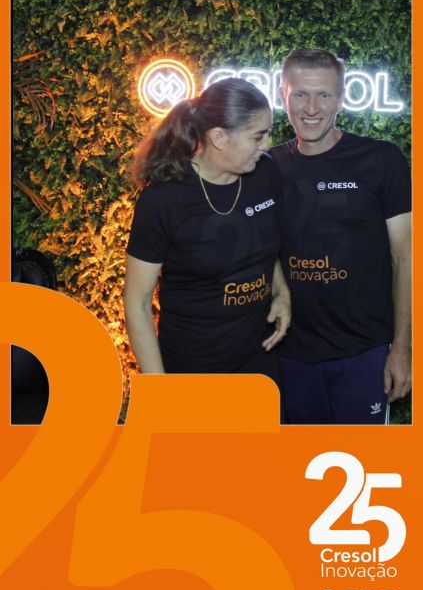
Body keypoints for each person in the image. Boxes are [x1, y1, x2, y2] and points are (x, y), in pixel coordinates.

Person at [270, 48, 411, 424]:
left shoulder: (381, 160)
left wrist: (402, 348)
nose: (311, 108)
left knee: (361, 459)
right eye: (300, 94)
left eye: (324, 95)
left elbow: (405, 258)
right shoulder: (268, 167)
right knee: (298, 460)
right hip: (290, 355)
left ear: (342, 97)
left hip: (365, 353)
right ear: (283, 95)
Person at [125, 78, 291, 393]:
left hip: (260, 362)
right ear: (219, 138)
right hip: (193, 369)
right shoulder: (163, 200)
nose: (266, 145)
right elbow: (138, 303)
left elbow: (266, 249)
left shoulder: (266, 174)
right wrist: (160, 390)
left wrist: (282, 294)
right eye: (258, 136)